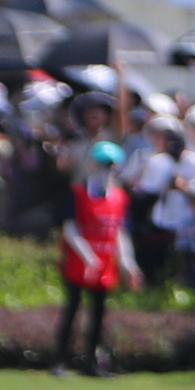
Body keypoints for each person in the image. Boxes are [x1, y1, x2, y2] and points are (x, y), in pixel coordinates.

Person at [54, 140, 142, 377]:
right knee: (72, 310)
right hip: (77, 263)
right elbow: (70, 229)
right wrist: (88, 257)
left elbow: (119, 232)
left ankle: (91, 363)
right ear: (93, 164)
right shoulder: (78, 192)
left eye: (112, 166)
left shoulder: (119, 198)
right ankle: (60, 361)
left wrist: (128, 263)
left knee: (99, 314)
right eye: (104, 164)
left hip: (105, 265)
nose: (108, 170)